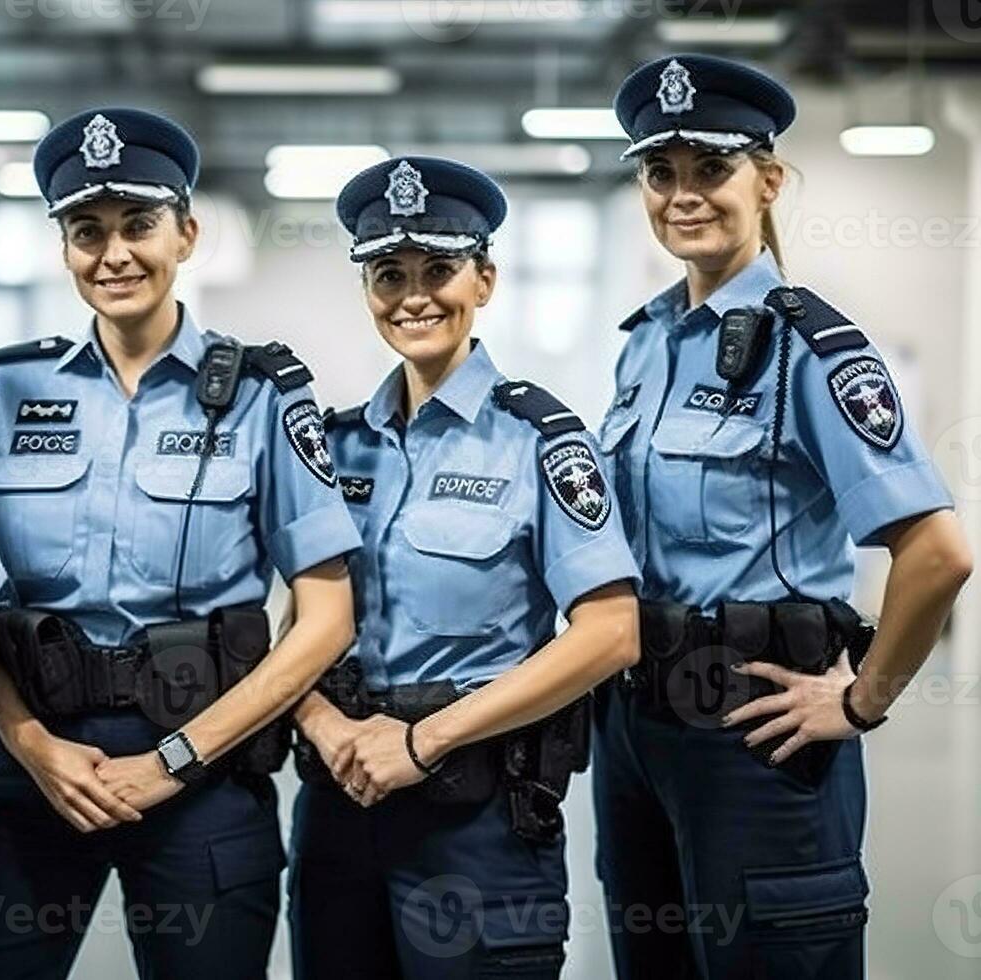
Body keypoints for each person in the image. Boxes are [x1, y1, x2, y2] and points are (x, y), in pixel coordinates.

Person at [0, 107, 360, 978]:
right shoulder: (8, 390)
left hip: (203, 773)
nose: (114, 254)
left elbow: (325, 619)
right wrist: (26, 742)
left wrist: (174, 761)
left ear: (187, 234)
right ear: (62, 249)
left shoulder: (263, 397)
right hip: (35, 770)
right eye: (85, 232)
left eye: (138, 225)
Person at [593, 54, 973, 979]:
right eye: (660, 174)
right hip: (635, 737)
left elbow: (937, 552)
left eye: (710, 170)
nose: (683, 196)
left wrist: (861, 699)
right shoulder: (645, 346)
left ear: (768, 180)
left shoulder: (811, 349)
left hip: (756, 741)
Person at [287, 155, 642, 980]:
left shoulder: (543, 443)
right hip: (338, 808)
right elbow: (301, 626)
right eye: (388, 274)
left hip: (478, 821)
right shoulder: (335, 446)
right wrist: (326, 725)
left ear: (484, 279)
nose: (414, 296)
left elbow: (611, 633)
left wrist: (422, 741)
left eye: (439, 269)